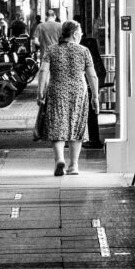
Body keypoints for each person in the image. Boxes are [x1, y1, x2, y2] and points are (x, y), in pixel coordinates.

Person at [36, 20, 99, 176]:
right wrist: (95, 97)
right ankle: (74, 166)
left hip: (57, 90)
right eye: (81, 33)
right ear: (75, 34)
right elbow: (92, 75)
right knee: (76, 126)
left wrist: (40, 91)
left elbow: (43, 71)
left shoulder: (51, 50)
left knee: (57, 124)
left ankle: (59, 160)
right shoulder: (84, 51)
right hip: (79, 91)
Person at [79, 34, 106, 149]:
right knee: (92, 113)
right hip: (92, 87)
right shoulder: (94, 55)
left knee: (89, 113)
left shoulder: (84, 54)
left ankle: (91, 139)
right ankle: (93, 138)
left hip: (86, 88)